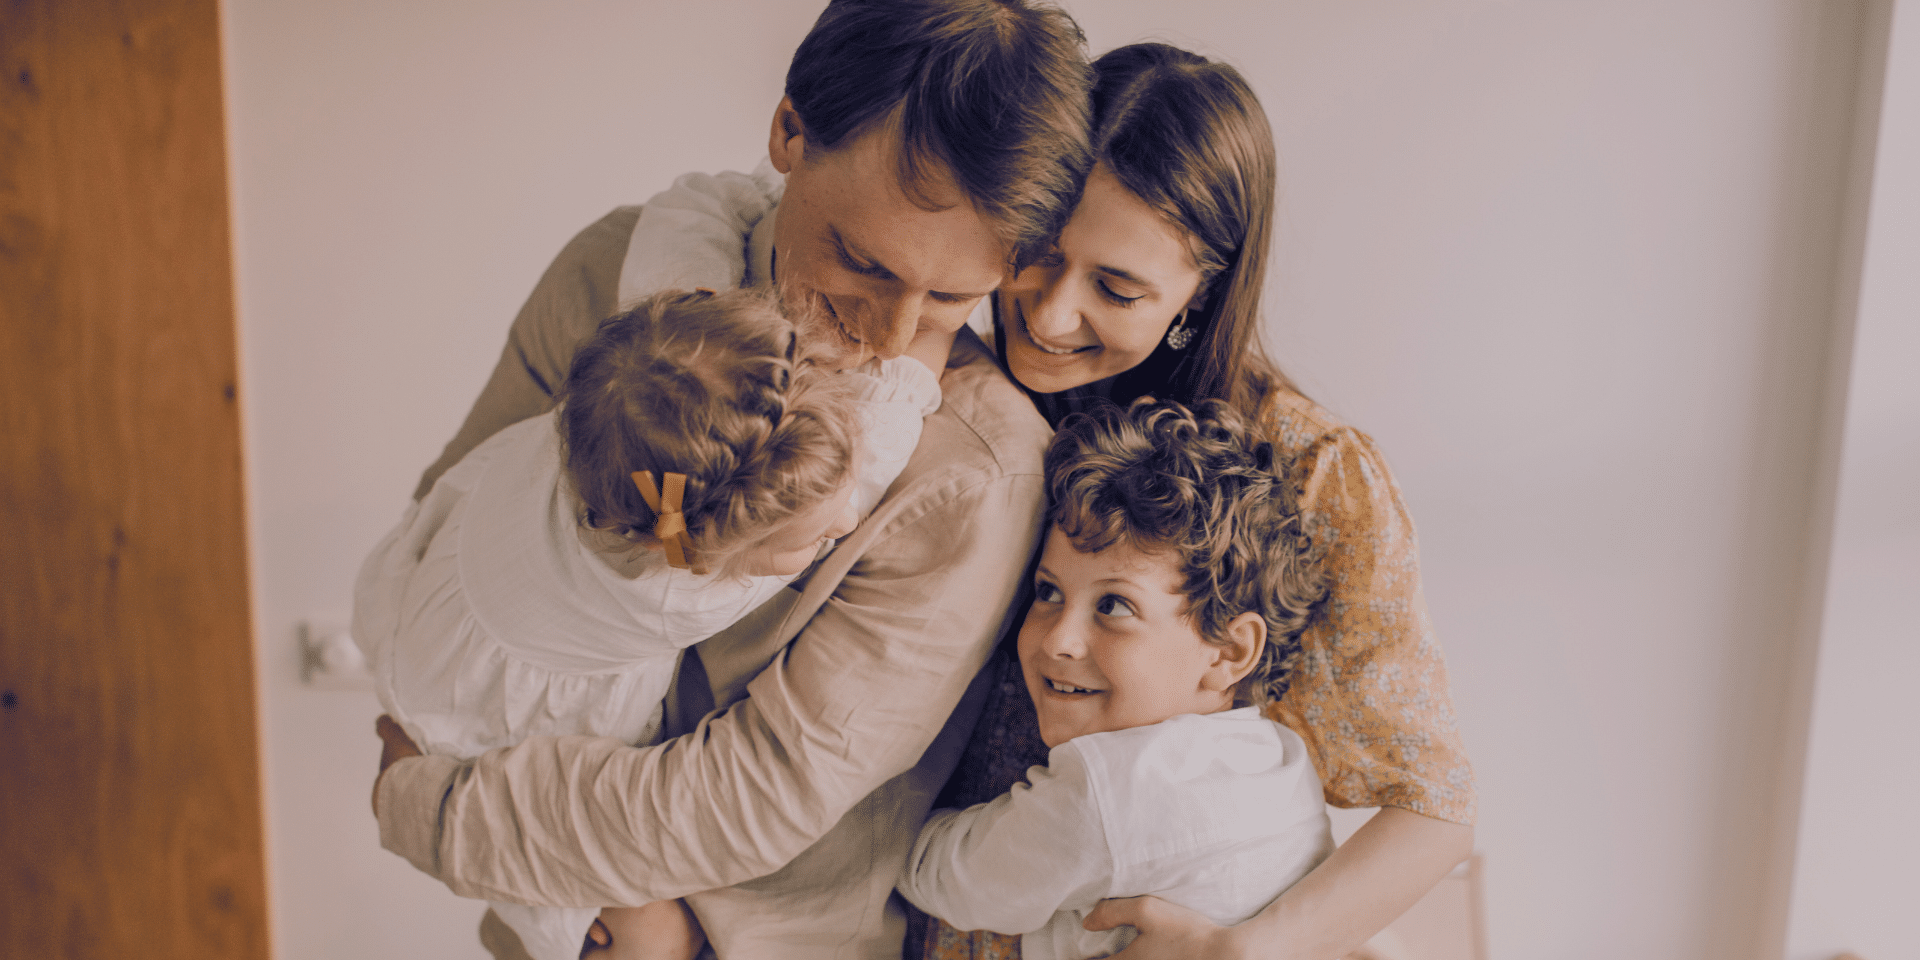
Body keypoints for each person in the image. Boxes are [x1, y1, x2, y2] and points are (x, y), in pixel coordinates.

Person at [369, 2, 1094, 958]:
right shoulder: (608, 275)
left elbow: (762, 792)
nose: (890, 332)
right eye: (863, 263)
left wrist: (425, 806)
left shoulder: (978, 473)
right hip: (545, 914)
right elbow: (454, 523)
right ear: (789, 130)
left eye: (954, 298)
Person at [917, 42, 1476, 960]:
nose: (1051, 316)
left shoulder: (1313, 474)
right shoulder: (941, 387)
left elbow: (1435, 809)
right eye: (1040, 255)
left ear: (1196, 295)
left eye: (1117, 287)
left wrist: (1249, 950)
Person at [355, 287, 947, 960]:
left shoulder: (622, 414)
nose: (846, 524)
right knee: (585, 897)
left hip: (433, 613)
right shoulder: (672, 589)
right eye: (807, 542)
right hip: (481, 716)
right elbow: (875, 464)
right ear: (698, 548)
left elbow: (679, 224)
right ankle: (569, 938)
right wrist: (933, 338)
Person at [898, 398, 1336, 960]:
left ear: (1229, 650)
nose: (1058, 639)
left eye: (1114, 605)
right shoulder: (1281, 762)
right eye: (1048, 592)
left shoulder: (1110, 791)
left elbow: (947, 879)